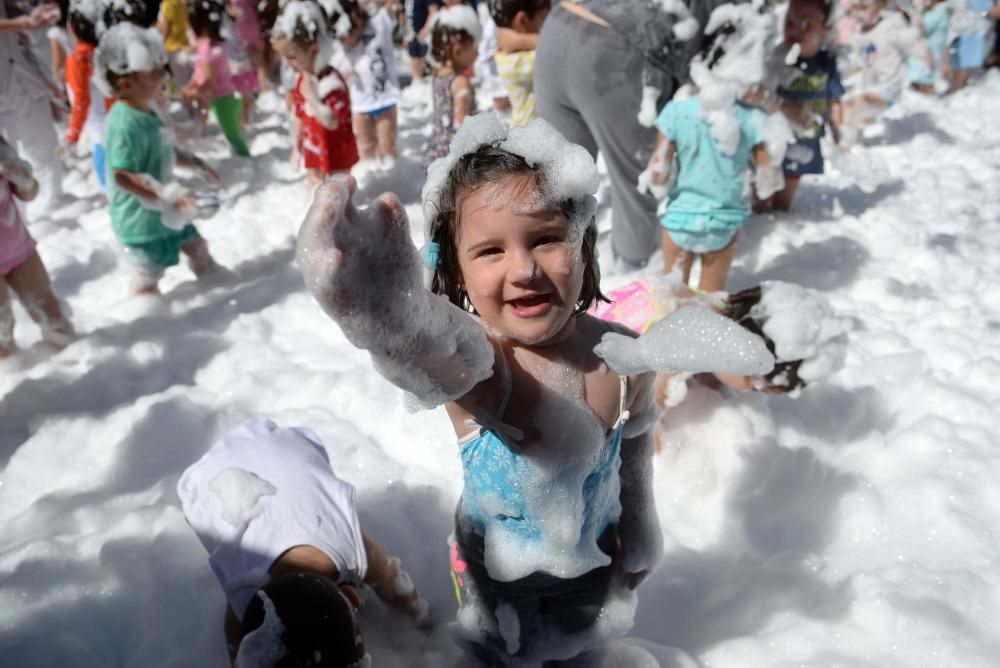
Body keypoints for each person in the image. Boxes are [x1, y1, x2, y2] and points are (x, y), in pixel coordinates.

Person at [296, 115, 663, 664]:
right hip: (495, 572)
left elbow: (635, 446)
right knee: (496, 653)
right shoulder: (485, 365)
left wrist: (640, 527)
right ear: (458, 275)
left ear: (582, 239)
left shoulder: (625, 353)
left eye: (544, 239)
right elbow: (435, 352)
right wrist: (386, 316)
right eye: (490, 251)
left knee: (575, 648)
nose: (523, 269)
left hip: (591, 557)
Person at [177, 418, 431, 666]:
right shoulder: (243, 596)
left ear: (354, 597)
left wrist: (419, 619)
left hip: (277, 454)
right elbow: (238, 641)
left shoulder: (353, 550)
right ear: (352, 598)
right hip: (213, 482)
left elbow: (389, 576)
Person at [534, 0, 727, 272]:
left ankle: (546, 273)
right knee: (635, 184)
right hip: (620, 51)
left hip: (559, 25)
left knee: (557, 183)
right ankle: (632, 275)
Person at [646, 23, 778, 292]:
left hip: (679, 220)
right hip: (723, 222)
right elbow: (769, 177)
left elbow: (657, 173)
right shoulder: (752, 118)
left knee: (673, 299)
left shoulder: (676, 112)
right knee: (711, 303)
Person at [96, 22, 223, 295]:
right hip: (140, 221)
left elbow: (163, 149)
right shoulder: (122, 123)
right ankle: (145, 322)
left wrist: (196, 164)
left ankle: (218, 289)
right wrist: (165, 192)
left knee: (199, 249)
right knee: (149, 274)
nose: (161, 75)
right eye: (152, 72)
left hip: (167, 210)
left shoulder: (146, 110)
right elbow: (122, 174)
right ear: (125, 81)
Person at [761, 0, 844, 211]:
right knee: (762, 186)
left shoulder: (826, 63)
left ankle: (780, 214)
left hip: (805, 141)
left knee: (786, 191)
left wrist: (838, 127)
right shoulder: (777, 59)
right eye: (790, 21)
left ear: (825, 30)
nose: (796, 29)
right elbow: (764, 93)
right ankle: (759, 213)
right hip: (774, 137)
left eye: (807, 24)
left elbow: (834, 100)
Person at [0, 136, 74, 356]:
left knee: (53, 317)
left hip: (19, 251)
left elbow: (30, 194)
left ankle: (75, 362)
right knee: (2, 333)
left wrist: (23, 180)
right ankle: (18, 374)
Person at [271, 0, 358, 186]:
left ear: (314, 49)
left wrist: (313, 97)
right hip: (314, 149)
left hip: (338, 153)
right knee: (315, 189)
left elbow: (332, 122)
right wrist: (296, 146)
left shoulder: (333, 83)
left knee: (339, 194)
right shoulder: (303, 79)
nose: (288, 63)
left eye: (292, 57)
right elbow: (299, 116)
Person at [0, 1, 66, 214]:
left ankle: (53, 207)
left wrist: (32, 14)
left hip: (24, 78)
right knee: (9, 166)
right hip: (3, 92)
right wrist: (17, 24)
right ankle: (22, 220)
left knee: (46, 148)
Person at [840, 0, 933, 130]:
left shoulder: (890, 26)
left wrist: (925, 55)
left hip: (890, 87)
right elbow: (856, 59)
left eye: (864, 8)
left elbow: (909, 41)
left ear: (880, 5)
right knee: (845, 108)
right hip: (871, 85)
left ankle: (845, 143)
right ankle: (857, 130)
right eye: (855, 9)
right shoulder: (859, 31)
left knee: (857, 106)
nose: (859, 13)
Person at [332, 0, 400, 164]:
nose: (347, 39)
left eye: (351, 32)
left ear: (359, 21)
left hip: (385, 98)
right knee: (365, 150)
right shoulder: (340, 47)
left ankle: (395, 181)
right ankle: (373, 182)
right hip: (360, 103)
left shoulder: (379, 22)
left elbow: (391, 5)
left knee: (387, 147)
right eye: (342, 37)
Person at [182, 0, 252, 157]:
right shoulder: (212, 44)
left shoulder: (208, 50)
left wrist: (193, 93)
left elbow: (210, 82)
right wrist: (193, 83)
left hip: (223, 100)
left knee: (233, 136)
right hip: (225, 96)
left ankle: (247, 160)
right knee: (230, 131)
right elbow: (200, 71)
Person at [422, 3, 479, 168]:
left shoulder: (439, 75)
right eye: (473, 48)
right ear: (457, 51)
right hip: (454, 158)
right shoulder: (460, 82)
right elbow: (461, 123)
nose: (477, 53)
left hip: (437, 151)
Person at [64, 0, 108, 188]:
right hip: (118, 120)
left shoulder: (78, 59)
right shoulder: (107, 50)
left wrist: (73, 134)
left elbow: (81, 100)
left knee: (111, 183)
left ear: (73, 29)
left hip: (101, 131)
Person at [489, 0, 547, 127]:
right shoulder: (516, 63)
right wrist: (519, 40)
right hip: (533, 137)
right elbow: (557, 46)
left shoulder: (505, 55)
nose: (545, 28)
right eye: (543, 19)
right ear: (522, 20)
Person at [908, 0, 950, 94]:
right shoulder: (931, 12)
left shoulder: (940, 12)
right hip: (924, 54)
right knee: (917, 83)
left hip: (930, 54)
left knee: (926, 82)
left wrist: (916, 12)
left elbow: (920, 29)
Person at [404, 0, 438, 83]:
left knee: (429, 62)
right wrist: (406, 32)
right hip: (412, 33)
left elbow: (434, 10)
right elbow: (407, 14)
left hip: (426, 35)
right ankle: (416, 84)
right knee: (414, 58)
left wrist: (425, 29)